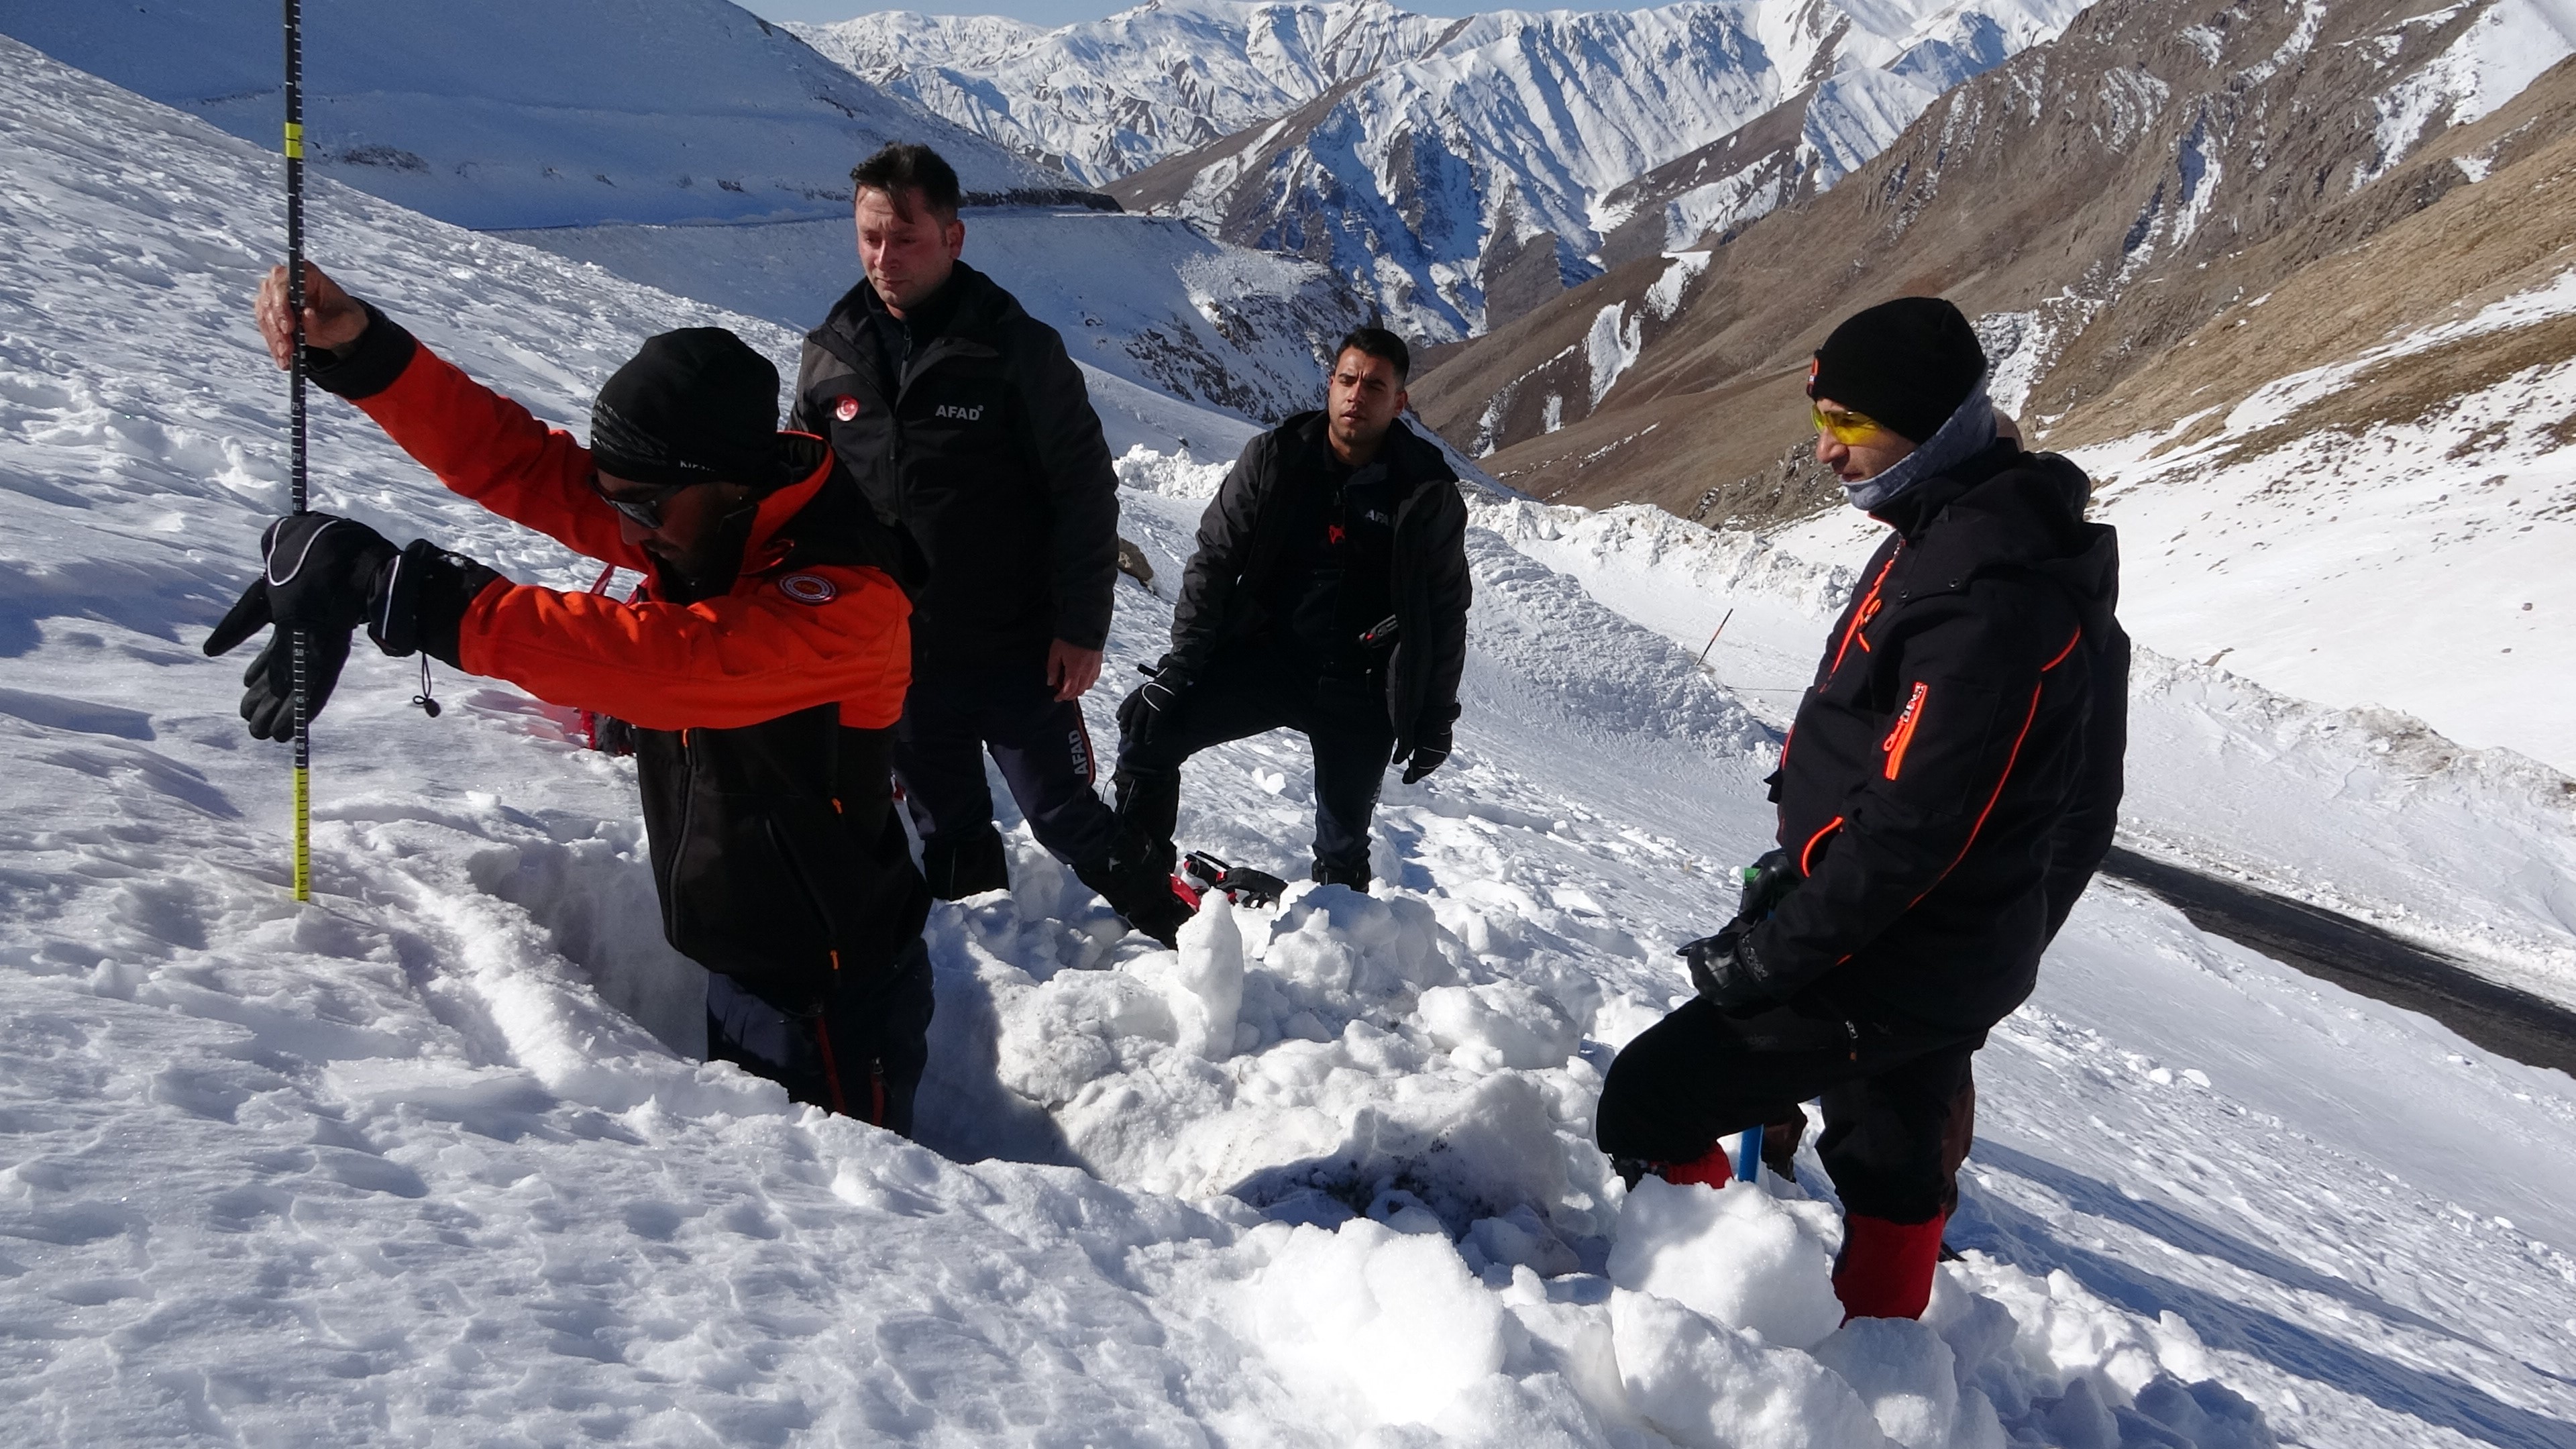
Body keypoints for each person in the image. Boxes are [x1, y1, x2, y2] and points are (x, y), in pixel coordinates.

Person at [215, 263, 937, 1132]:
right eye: (614, 503)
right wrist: (367, 353)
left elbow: (676, 667)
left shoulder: (849, 597)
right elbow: (523, 466)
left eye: (641, 508)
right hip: (744, 947)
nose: (624, 532)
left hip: (830, 990)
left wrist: (402, 590)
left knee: (848, 1211)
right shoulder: (699, 518)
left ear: (728, 479)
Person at [1593, 297, 2129, 1322]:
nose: (1824, 451)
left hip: (1890, 951)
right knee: (1891, 1159)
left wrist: (1772, 955)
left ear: (1925, 422)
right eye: (1820, 419)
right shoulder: (1961, 529)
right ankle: (1880, 1359)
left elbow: (1913, 828)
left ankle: (1708, 1328)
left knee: (1651, 1099)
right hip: (1942, 946)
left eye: (1847, 423)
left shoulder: (1983, 594)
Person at [792, 143, 1187, 941]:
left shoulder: (1015, 350)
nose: (883, 257)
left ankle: (1178, 929)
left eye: (905, 238)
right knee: (946, 824)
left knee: (1064, 813)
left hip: (1017, 647)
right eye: (869, 236)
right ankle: (992, 970)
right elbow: (804, 495)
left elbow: (1084, 492)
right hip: (897, 652)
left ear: (954, 238)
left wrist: (1081, 628)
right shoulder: (831, 355)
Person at [1110, 327, 1471, 893]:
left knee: (1343, 842)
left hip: (1363, 684)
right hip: (1264, 658)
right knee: (1150, 736)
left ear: (1399, 402)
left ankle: (1329, 947)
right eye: (1347, 380)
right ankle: (1138, 888)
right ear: (1330, 384)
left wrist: (1435, 715)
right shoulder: (1277, 457)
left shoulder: (1427, 491)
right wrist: (1182, 664)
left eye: (1375, 386)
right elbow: (1213, 559)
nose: (1357, 395)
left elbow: (1447, 608)